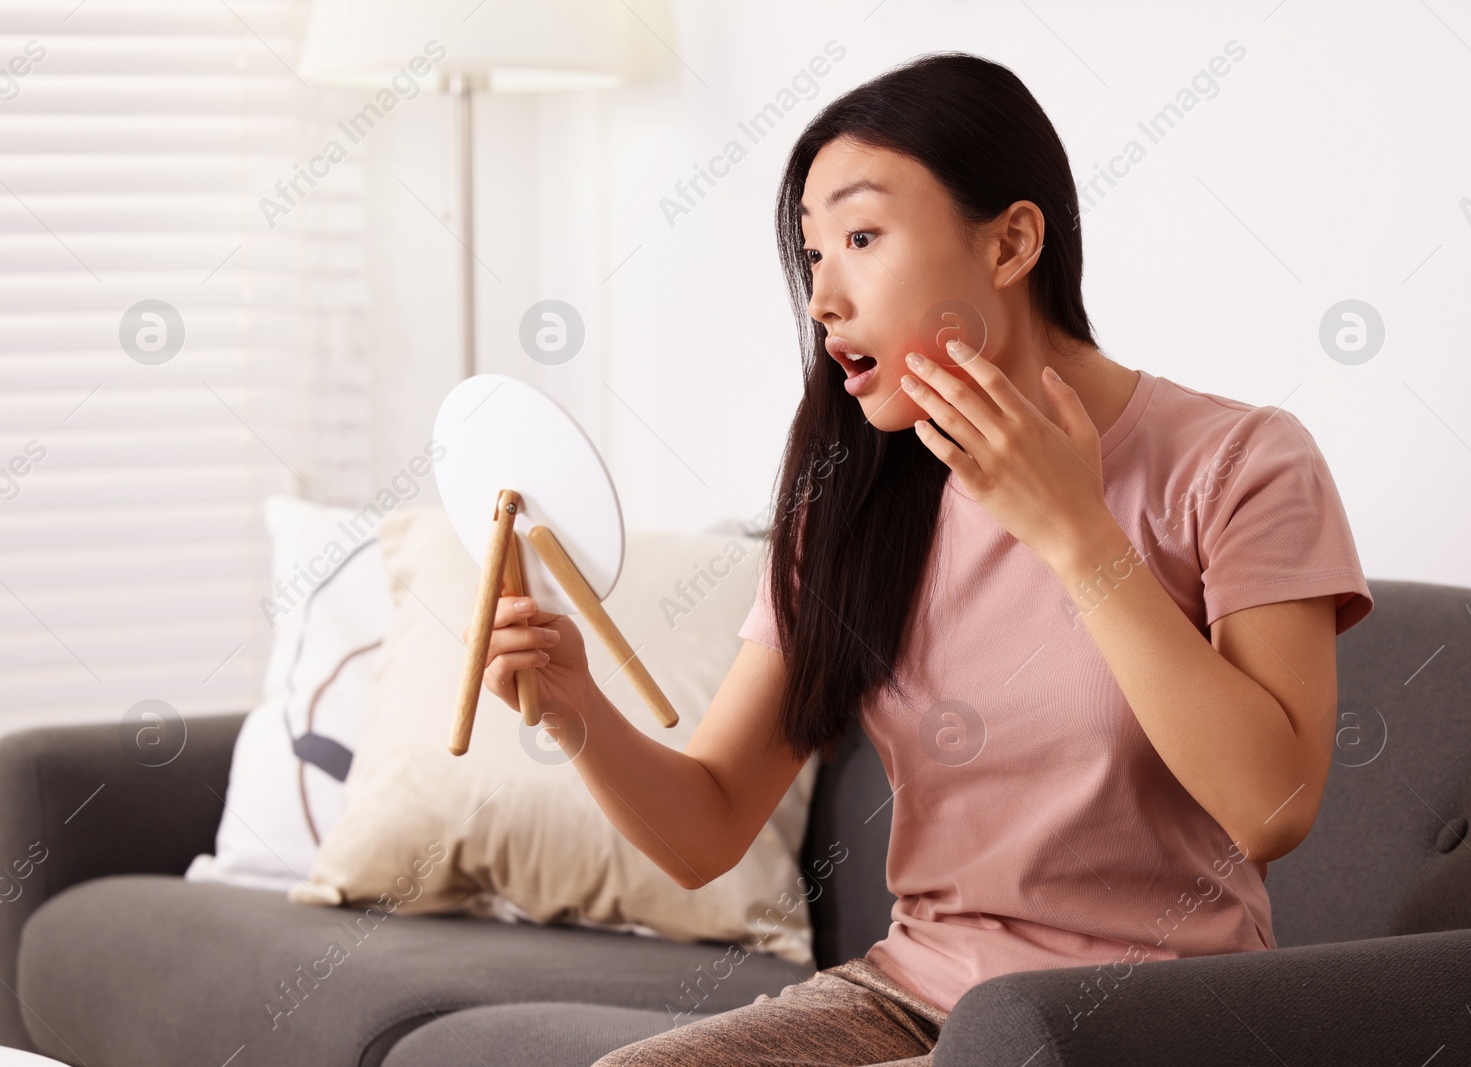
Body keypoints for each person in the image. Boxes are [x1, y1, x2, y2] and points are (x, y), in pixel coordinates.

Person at [476, 50, 1373, 1067]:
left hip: (1147, 1016)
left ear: (1011, 243)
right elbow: (709, 826)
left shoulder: (1238, 461)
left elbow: (1272, 807)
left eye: (862, 236)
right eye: (813, 253)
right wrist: (579, 709)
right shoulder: (852, 502)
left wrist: (1077, 538)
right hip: (915, 994)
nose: (823, 297)